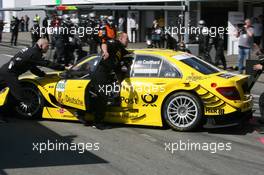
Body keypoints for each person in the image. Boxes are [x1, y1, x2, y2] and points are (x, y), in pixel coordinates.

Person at [0, 39, 66, 122]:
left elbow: (32, 68)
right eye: (47, 46)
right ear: (41, 45)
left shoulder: (31, 50)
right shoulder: (35, 54)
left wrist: (43, 75)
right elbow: (47, 63)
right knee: (19, 96)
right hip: (9, 74)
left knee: (15, 95)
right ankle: (2, 114)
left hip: (5, 71)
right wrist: (63, 68)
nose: (48, 48)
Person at [76, 32, 130, 129]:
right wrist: (105, 52)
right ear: (121, 38)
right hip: (100, 73)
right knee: (103, 96)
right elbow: (104, 43)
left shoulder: (122, 49)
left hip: (107, 75)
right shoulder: (115, 43)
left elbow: (127, 56)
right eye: (127, 39)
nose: (128, 41)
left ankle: (82, 114)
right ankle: (97, 122)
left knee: (99, 96)